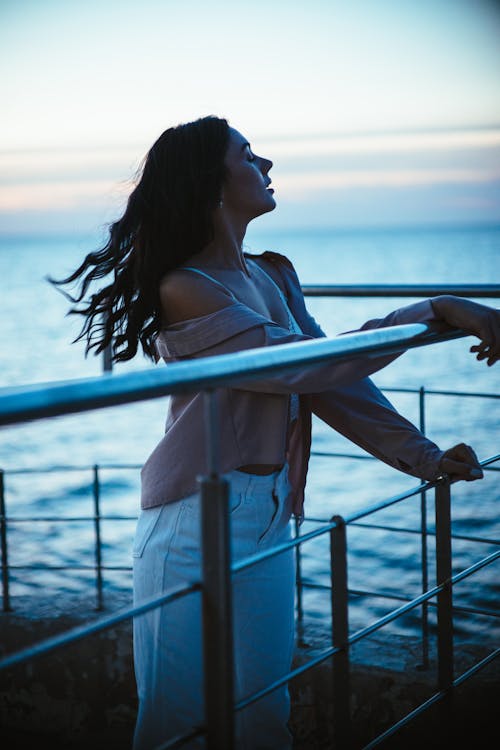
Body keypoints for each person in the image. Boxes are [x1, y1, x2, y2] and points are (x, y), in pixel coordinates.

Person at [52, 116, 499, 749]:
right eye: (249, 154)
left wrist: (423, 456)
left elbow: (331, 382)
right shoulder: (185, 289)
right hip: (191, 521)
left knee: (264, 712)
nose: (267, 164)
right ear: (212, 181)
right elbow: (303, 366)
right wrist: (436, 309)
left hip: (270, 511)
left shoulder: (273, 275)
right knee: (174, 723)